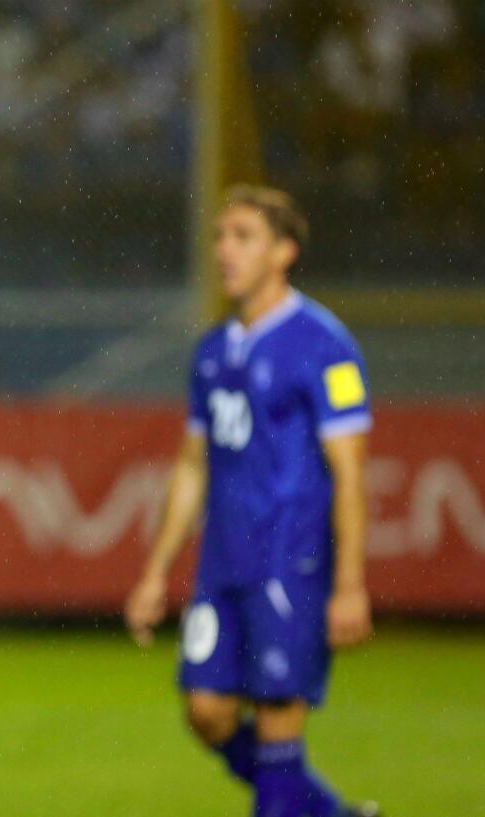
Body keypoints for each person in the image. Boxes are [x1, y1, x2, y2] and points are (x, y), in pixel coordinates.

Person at [124, 185, 378, 817]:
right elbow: (190, 466)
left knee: (275, 725)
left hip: (289, 561)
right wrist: (156, 572)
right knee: (206, 713)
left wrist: (348, 583)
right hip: (223, 564)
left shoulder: (322, 344)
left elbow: (349, 473)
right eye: (219, 236)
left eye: (243, 237)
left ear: (284, 252)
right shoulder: (213, 350)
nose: (224, 251)